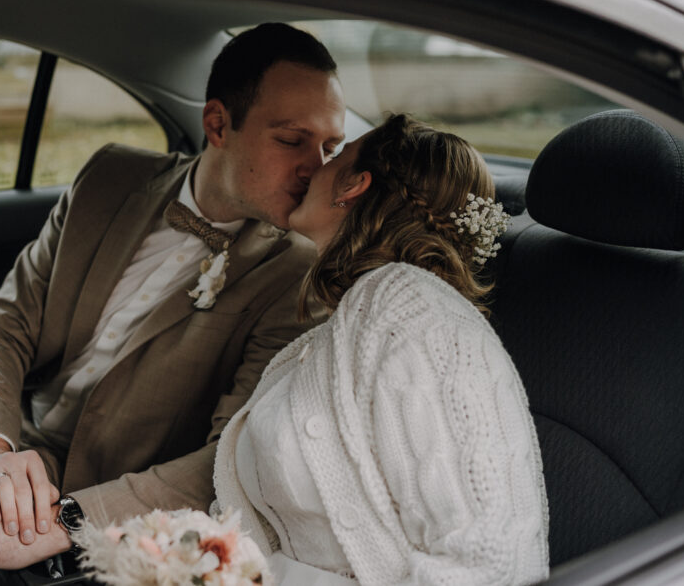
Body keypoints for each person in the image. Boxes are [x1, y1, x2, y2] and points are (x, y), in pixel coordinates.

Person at [0, 23, 346, 571]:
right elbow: (4, 324)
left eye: (329, 147)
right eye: (293, 141)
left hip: (91, 480)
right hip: (14, 415)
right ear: (218, 124)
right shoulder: (111, 176)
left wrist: (65, 522)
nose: (315, 168)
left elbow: (230, 461)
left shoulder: (299, 276)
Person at [213, 114, 550, 585]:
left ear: (353, 185)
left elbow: (494, 565)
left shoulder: (415, 311)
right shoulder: (344, 326)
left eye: (335, 156)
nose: (312, 169)